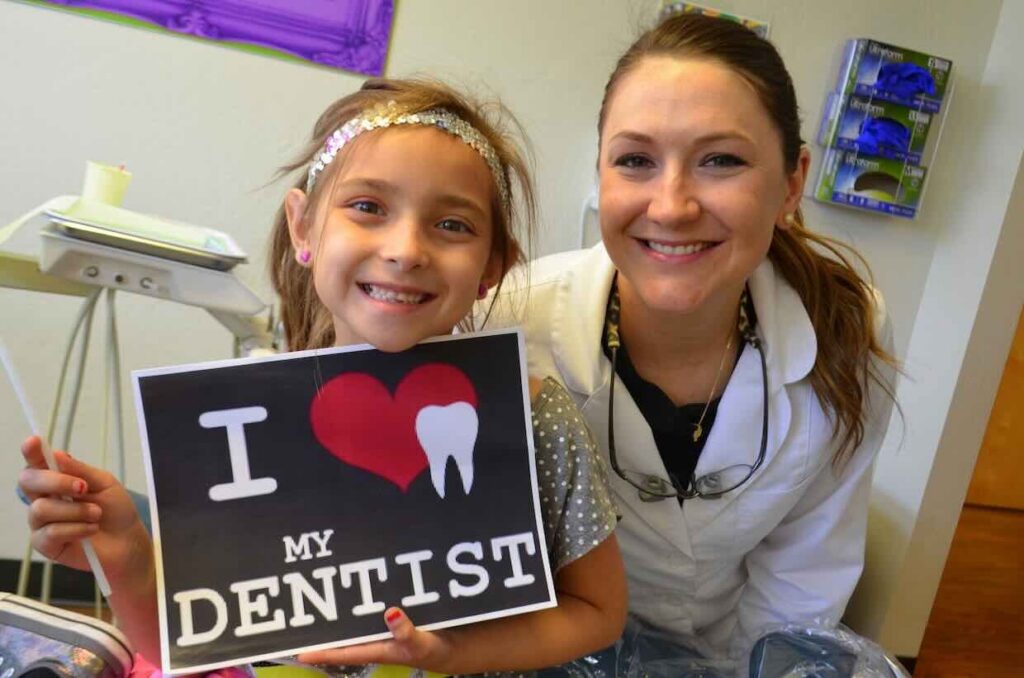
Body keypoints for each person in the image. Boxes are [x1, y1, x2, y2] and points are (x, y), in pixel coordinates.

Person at [17, 78, 627, 676]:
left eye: (453, 225)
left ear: (493, 265)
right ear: (304, 227)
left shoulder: (529, 414)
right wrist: (126, 554)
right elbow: (199, 644)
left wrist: (451, 655)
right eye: (368, 207)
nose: (406, 249)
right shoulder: (244, 427)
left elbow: (598, 611)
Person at [485, 13, 899, 661]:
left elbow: (800, 583)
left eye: (721, 160)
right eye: (635, 161)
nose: (672, 205)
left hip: (730, 654)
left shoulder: (846, 326)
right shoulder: (510, 323)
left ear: (792, 181)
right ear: (601, 174)